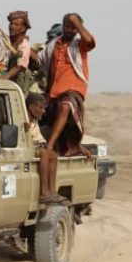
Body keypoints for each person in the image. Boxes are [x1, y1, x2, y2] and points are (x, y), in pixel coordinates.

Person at [38, 13, 96, 157]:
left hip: (73, 89)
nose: (70, 30)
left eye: (73, 27)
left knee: (66, 106)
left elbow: (90, 42)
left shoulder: (79, 44)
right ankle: (73, 147)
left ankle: (50, 145)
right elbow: (40, 60)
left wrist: (77, 22)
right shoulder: (54, 44)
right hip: (55, 91)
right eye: (67, 27)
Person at [25, 93, 66, 205]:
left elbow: (39, 139)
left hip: (37, 147)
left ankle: (52, 192)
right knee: (45, 154)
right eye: (40, 108)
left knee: (53, 155)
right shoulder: (24, 120)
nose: (43, 111)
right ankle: (44, 192)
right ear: (31, 107)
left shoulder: (34, 121)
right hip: (28, 148)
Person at [3, 10, 33, 93]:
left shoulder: (24, 46)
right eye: (11, 24)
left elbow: (20, 66)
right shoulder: (6, 40)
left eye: (16, 25)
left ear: (23, 28)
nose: (12, 27)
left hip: (17, 86)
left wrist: (6, 76)